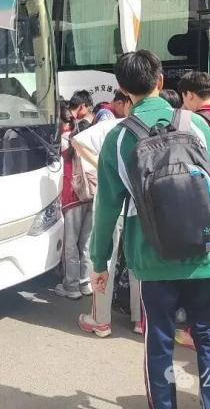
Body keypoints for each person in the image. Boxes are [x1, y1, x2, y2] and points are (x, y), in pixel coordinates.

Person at [89, 50, 210, 409]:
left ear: (122, 89)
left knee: (159, 343)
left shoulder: (118, 139)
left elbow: (106, 210)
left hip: (153, 258)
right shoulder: (194, 124)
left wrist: (100, 262)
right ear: (161, 81)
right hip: (208, 252)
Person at [73, 97, 143, 338]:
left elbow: (77, 141)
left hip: (110, 207)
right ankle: (140, 320)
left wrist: (102, 165)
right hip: (138, 209)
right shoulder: (151, 126)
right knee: (137, 264)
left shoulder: (112, 127)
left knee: (104, 262)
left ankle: (101, 320)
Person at [54, 103, 94, 300]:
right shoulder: (89, 142)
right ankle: (85, 282)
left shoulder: (63, 144)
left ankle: (71, 286)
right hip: (91, 196)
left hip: (72, 199)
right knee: (86, 243)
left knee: (70, 244)